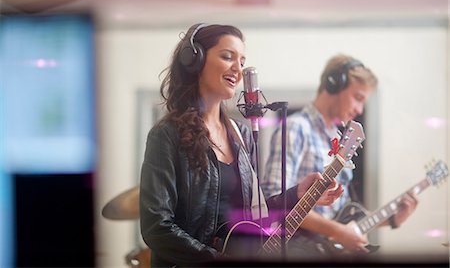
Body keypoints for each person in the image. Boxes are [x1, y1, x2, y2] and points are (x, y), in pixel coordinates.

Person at [139, 23, 344, 267]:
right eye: (227, 57)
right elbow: (156, 227)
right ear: (195, 61)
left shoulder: (242, 134)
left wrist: (295, 194)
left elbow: (252, 215)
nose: (238, 69)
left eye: (242, 61)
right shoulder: (166, 135)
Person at [261, 54, 418, 258]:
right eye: (358, 98)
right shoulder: (296, 128)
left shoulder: (339, 140)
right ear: (334, 85)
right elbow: (274, 201)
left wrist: (392, 219)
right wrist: (337, 231)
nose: (360, 109)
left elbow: (342, 217)